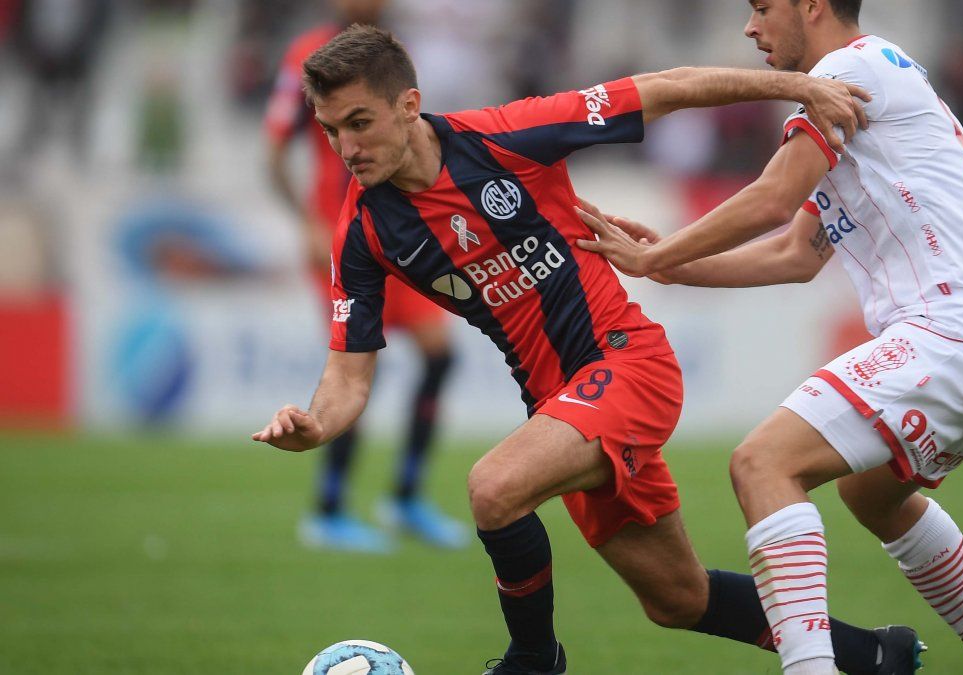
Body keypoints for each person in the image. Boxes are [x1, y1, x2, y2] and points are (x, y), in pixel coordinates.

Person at [252, 24, 925, 675]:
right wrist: (316, 423)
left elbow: (666, 86)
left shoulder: (505, 137)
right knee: (677, 598)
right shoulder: (364, 231)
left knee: (494, 488)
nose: (346, 147)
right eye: (331, 130)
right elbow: (348, 372)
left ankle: (535, 660)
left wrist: (797, 88)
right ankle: (877, 655)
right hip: (562, 406)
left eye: (360, 123)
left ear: (409, 106)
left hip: (628, 363)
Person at [575, 1, 963, 674]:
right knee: (870, 491)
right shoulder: (870, 82)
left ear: (811, 5)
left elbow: (776, 195)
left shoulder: (847, 70)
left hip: (957, 329)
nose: (751, 27)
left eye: (763, 7)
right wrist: (675, 263)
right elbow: (796, 253)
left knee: (763, 462)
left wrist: (662, 256)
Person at [264, 0, 465, 552]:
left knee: (440, 355)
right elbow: (274, 144)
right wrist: (307, 221)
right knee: (358, 365)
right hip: (342, 233)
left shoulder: (390, 56)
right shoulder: (308, 55)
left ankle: (404, 497)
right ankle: (328, 510)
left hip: (398, 229)